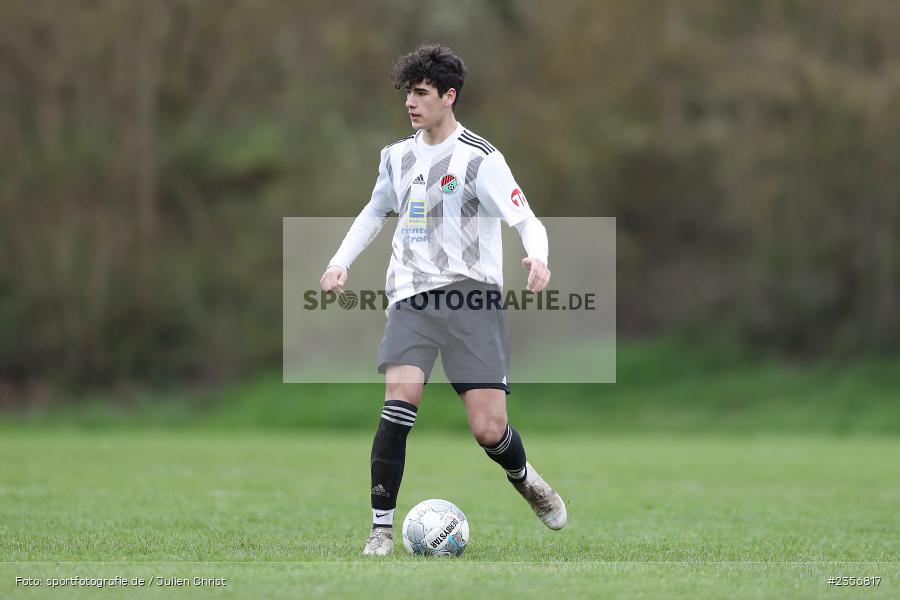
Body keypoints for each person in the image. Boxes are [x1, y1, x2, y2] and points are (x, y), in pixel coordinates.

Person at [320, 44, 566, 556]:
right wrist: (340, 261)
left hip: (471, 300)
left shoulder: (480, 158)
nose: (411, 102)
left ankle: (525, 478)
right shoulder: (396, 156)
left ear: (448, 96)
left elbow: (526, 219)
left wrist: (538, 257)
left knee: (487, 429)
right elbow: (373, 212)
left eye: (422, 93)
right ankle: (381, 530)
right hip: (410, 298)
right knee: (398, 406)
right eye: (409, 92)